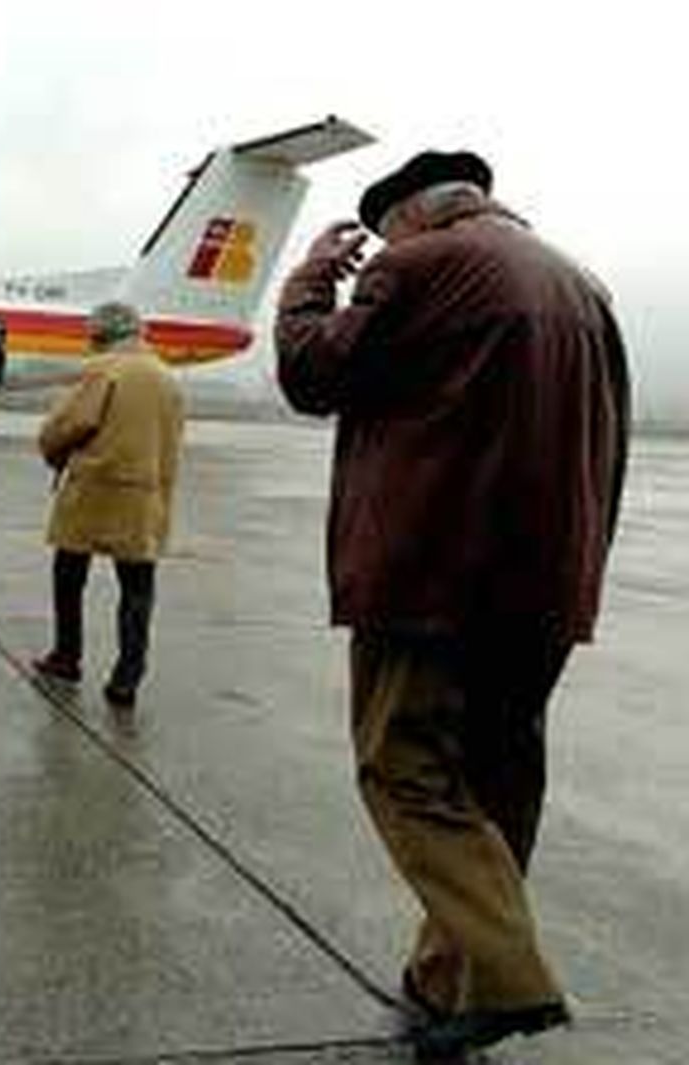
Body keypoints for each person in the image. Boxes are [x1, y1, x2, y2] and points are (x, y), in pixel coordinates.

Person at [274, 150, 630, 1060]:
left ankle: (510, 977)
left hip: (431, 577)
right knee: (499, 780)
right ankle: (444, 984)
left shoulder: (418, 264)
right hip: (547, 585)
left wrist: (315, 277)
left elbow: (312, 374)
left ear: (407, 216)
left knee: (405, 768)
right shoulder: (585, 286)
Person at [32, 301, 184, 710]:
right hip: (145, 495)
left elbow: (70, 424)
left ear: (102, 333)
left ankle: (67, 656)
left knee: (69, 574)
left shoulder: (104, 368)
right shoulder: (166, 376)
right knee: (137, 589)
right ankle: (127, 678)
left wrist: (50, 449)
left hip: (95, 491)